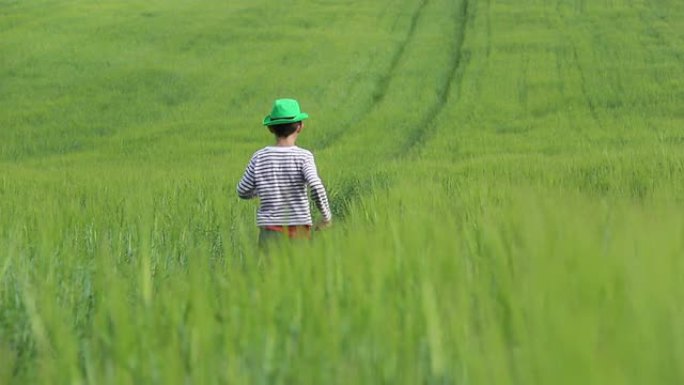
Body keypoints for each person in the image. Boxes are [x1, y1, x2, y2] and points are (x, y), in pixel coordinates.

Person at [237, 98, 332, 248]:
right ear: (300, 126)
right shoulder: (304, 157)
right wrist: (326, 216)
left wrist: (263, 190)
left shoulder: (259, 157)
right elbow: (316, 185)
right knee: (297, 272)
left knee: (269, 271)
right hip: (299, 232)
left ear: (271, 128)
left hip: (270, 233)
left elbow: (242, 191)